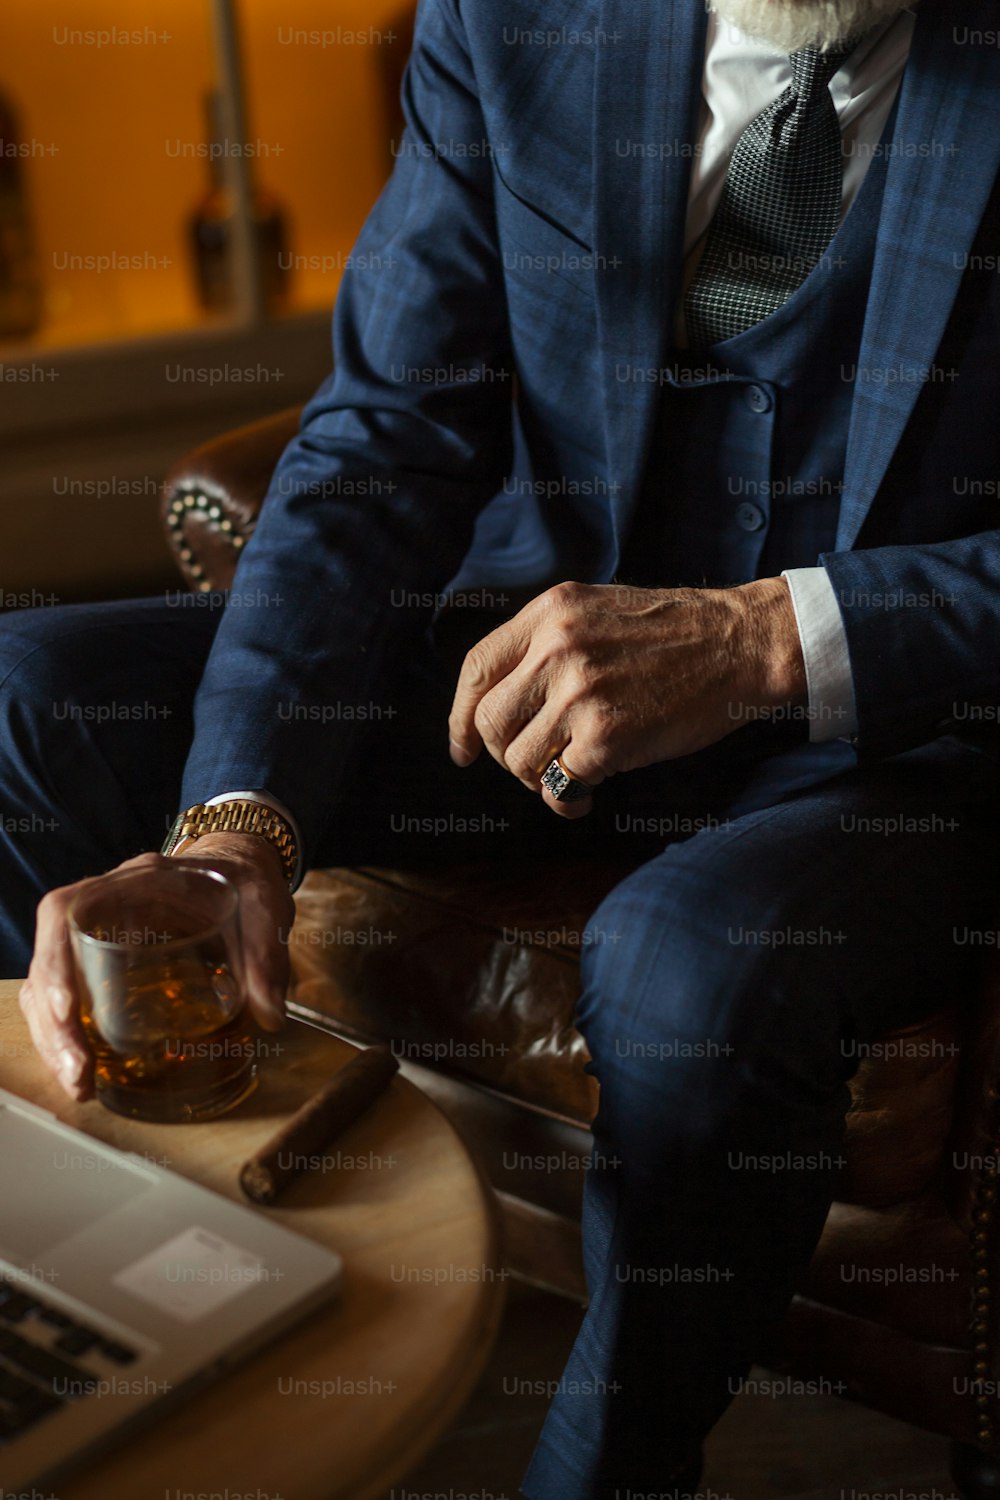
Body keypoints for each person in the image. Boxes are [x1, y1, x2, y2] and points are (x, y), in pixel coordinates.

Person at [5, 0, 1000, 1493]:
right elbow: (382, 440)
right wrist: (233, 831)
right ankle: (115, 1311)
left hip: (910, 726)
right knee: (27, 693)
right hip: (530, 666)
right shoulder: (519, 16)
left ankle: (611, 1468)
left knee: (688, 963)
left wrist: (765, 640)